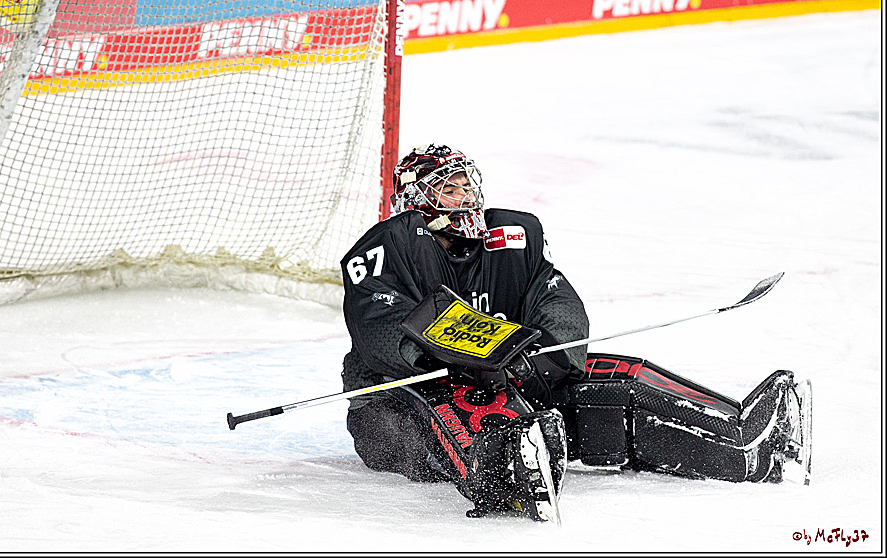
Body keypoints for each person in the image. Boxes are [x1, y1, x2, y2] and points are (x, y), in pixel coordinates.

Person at [340, 143, 810, 522]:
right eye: (450, 189)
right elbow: (379, 327)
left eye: (469, 186)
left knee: (611, 379)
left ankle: (746, 442)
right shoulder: (386, 248)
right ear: (419, 200)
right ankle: (508, 479)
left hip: (502, 372)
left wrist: (546, 351)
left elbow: (556, 298)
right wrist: (470, 353)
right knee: (471, 404)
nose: (467, 198)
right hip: (396, 402)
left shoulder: (512, 237)